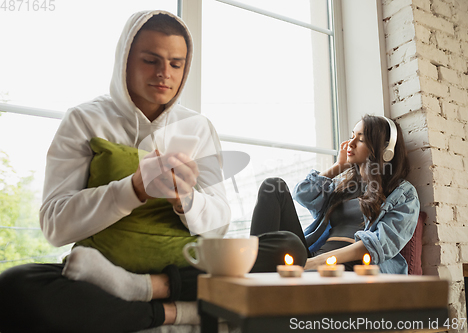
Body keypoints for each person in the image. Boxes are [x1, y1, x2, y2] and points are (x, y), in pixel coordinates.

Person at [0, 10, 306, 333]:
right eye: (151, 60)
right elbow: (55, 225)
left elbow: (218, 224)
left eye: (176, 64)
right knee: (14, 286)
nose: (165, 74)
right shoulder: (84, 120)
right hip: (104, 271)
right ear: (125, 60)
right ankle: (179, 311)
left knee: (288, 248)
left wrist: (185, 199)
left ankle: (149, 291)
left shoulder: (198, 128)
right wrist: (134, 189)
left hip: (180, 269)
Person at [250, 114, 420, 274]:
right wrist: (338, 166)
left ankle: (252, 271)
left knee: (289, 245)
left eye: (360, 139)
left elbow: (379, 245)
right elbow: (303, 195)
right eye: (351, 136)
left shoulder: (404, 194)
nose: (350, 144)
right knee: (273, 186)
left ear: (386, 150)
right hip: (313, 257)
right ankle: (251, 262)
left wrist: (317, 262)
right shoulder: (343, 185)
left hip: (352, 266)